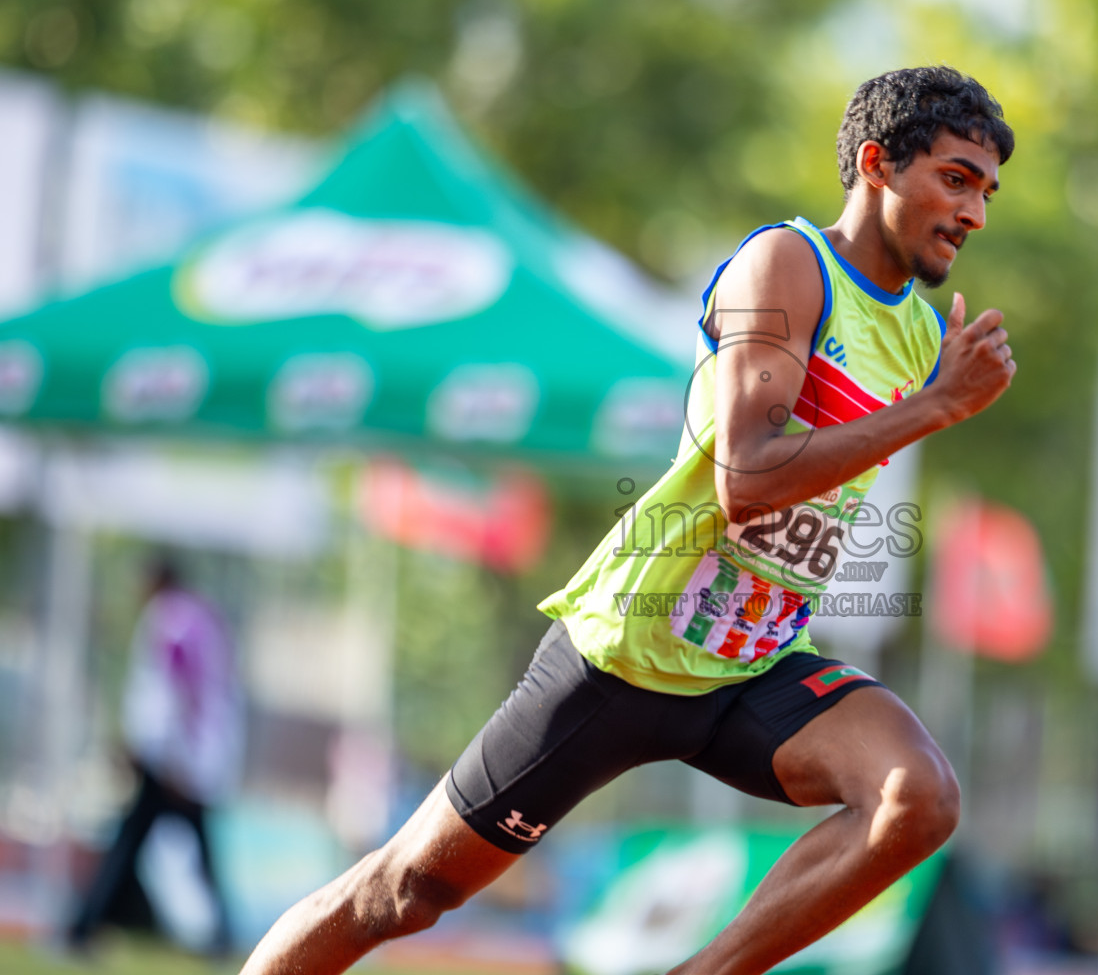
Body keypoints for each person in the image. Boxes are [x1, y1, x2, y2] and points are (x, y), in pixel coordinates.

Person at [241, 64, 1017, 975]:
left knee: (916, 801)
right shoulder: (786, 264)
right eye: (956, 179)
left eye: (987, 192)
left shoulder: (925, 336)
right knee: (405, 892)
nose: (974, 214)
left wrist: (935, 393)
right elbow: (745, 476)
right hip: (629, 654)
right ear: (878, 164)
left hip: (748, 666)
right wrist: (934, 410)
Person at [68, 556, 243, 955]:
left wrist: (159, 751)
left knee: (131, 844)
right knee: (165, 846)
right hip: (192, 760)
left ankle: (83, 929)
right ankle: (220, 937)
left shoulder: (170, 621)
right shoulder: (201, 619)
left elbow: (174, 695)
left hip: (173, 761)